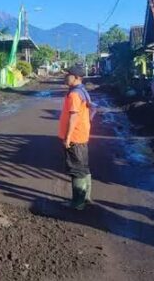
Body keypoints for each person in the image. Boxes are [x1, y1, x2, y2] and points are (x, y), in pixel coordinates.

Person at [58, 65, 94, 210]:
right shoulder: (82, 91)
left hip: (75, 137)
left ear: (77, 77)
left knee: (76, 170)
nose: (66, 77)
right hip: (82, 135)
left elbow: (73, 117)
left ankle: (78, 203)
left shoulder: (74, 95)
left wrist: (68, 137)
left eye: (68, 75)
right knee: (83, 167)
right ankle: (86, 198)